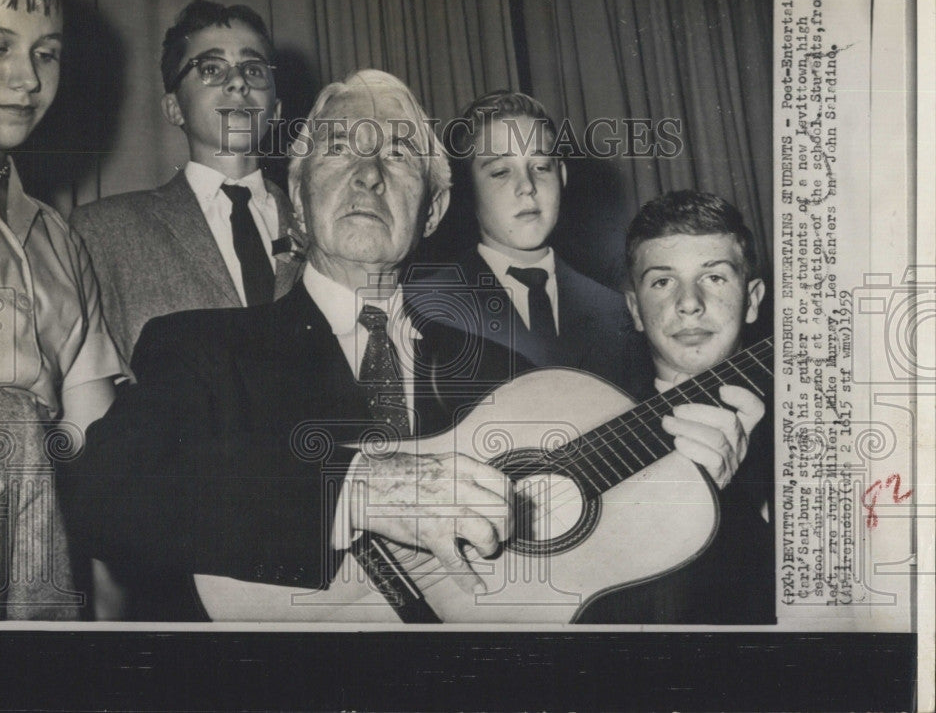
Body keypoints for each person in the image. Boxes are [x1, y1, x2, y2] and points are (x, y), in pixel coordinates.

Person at [56, 71, 763, 623]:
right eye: (341, 150)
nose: (369, 173)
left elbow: (600, 601)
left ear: (431, 210)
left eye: (397, 155)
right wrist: (350, 491)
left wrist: (684, 488)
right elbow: (104, 494)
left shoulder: (509, 377)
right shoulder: (203, 346)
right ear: (297, 201)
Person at [0, 0, 123, 620]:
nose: (27, 79)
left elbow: (91, 448)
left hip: (40, 530)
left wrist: (113, 616)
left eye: (47, 53)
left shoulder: (58, 238)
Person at [69, 0, 303, 369]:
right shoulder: (99, 233)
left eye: (254, 69)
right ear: (174, 108)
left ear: (275, 111)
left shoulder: (322, 229)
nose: (238, 82)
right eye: (211, 68)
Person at [584, 189, 774, 623]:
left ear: (754, 299)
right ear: (635, 308)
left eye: (714, 277)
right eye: (663, 281)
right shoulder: (589, 429)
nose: (689, 303)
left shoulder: (816, 433)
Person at [408, 90, 651, 395]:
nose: (527, 187)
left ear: (561, 176)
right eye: (500, 172)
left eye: (540, 166)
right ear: (467, 189)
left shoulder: (617, 312)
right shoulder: (420, 306)